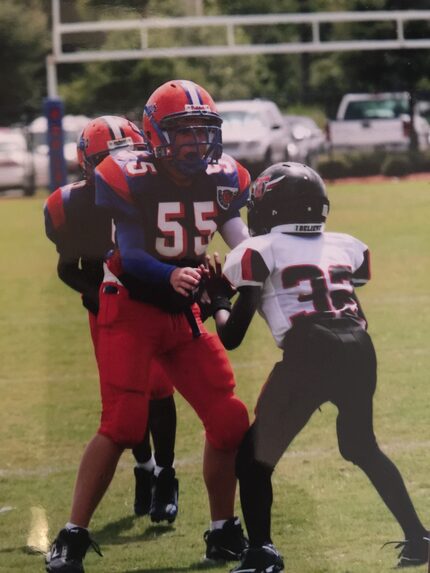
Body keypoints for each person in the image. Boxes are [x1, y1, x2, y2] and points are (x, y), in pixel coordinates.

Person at [45, 80, 251, 573]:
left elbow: (243, 247)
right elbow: (133, 257)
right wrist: (174, 273)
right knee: (123, 424)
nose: (197, 144)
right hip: (130, 305)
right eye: (185, 133)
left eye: (204, 132)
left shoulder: (223, 176)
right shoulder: (129, 174)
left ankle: (223, 531)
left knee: (229, 420)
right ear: (157, 135)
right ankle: (71, 537)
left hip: (182, 312)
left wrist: (256, 266)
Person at [204, 162, 429, 573]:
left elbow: (232, 335)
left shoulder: (259, 249)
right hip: (359, 345)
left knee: (253, 461)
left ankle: (261, 553)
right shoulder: (345, 245)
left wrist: (219, 299)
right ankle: (420, 538)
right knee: (361, 446)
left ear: (270, 208)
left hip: (309, 349)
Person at [43, 115, 180, 532]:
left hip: (155, 300)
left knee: (159, 390)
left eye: (126, 158)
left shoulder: (160, 191)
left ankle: (166, 477)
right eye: (106, 160)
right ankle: (144, 465)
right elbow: (68, 267)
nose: (116, 170)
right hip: (111, 309)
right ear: (88, 166)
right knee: (126, 399)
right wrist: (100, 295)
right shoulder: (68, 206)